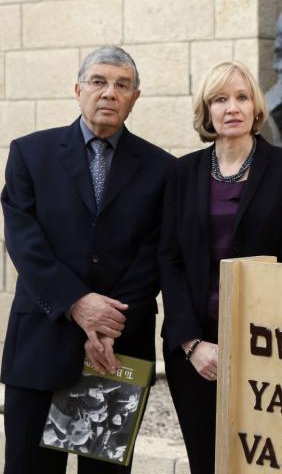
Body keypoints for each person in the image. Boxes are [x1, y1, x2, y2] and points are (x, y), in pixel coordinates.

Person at [1, 46, 173, 473]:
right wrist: (78, 303)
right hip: (42, 341)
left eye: (122, 85)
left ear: (136, 97)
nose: (109, 93)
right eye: (98, 81)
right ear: (78, 90)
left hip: (117, 349)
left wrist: (109, 324)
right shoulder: (30, 154)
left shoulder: (163, 169)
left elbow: (158, 253)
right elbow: (24, 242)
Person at [159, 61, 282, 473]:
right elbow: (169, 261)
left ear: (256, 108)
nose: (232, 107)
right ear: (206, 111)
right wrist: (191, 343)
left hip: (263, 343)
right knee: (205, 460)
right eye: (220, 99)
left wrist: (252, 341)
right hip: (193, 346)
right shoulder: (182, 171)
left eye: (242, 97)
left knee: (259, 461)